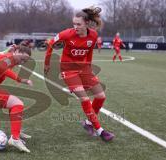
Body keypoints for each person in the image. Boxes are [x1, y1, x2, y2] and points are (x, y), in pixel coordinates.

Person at [44, 6, 114, 141]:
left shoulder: (93, 35)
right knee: (85, 98)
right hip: (68, 70)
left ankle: (88, 123)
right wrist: (47, 64)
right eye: (74, 24)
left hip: (84, 69)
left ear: (87, 23)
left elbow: (89, 53)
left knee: (101, 96)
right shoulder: (67, 34)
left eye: (78, 24)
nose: (75, 27)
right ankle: (100, 131)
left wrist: (89, 69)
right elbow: (51, 44)